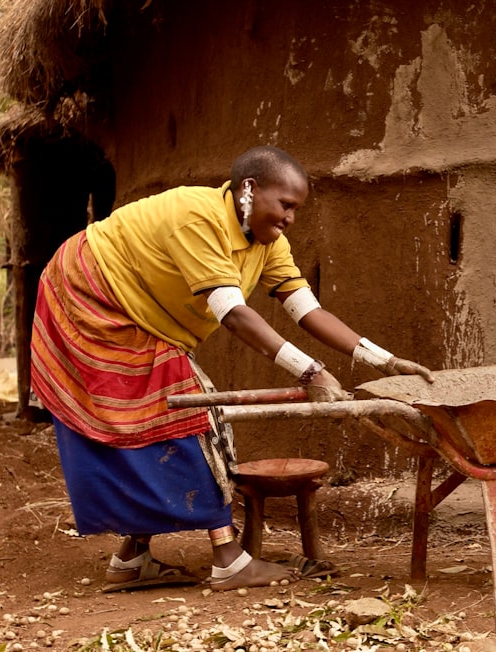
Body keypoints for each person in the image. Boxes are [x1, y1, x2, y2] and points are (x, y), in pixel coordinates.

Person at [30, 145, 434, 592]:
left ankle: (131, 558)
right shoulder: (198, 217)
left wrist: (384, 359)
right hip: (88, 295)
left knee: (160, 419)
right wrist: (311, 373)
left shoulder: (269, 244)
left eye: (296, 209)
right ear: (249, 189)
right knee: (193, 419)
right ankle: (227, 559)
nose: (290, 219)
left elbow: (306, 310)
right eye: (285, 205)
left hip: (137, 316)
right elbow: (234, 313)